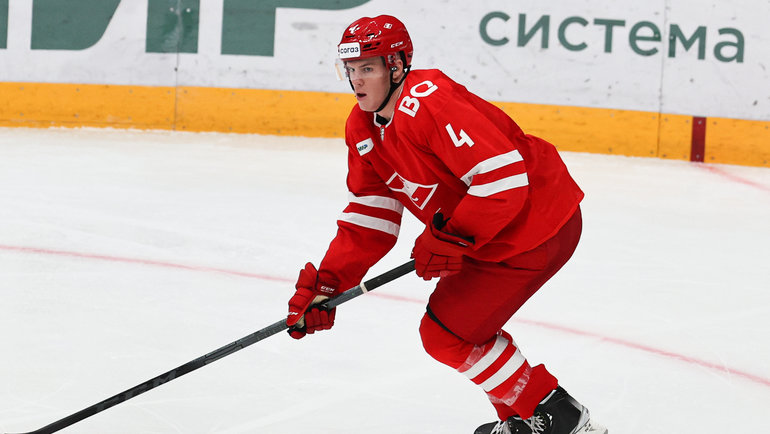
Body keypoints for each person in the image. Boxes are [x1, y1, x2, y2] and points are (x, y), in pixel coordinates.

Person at [285, 15, 607, 434]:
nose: (356, 80)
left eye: (367, 68)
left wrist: (450, 236)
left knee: (448, 334)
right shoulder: (362, 127)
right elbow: (371, 218)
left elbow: (503, 178)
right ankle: (529, 419)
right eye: (350, 70)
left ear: (396, 66)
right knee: (461, 330)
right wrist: (328, 284)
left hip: (537, 227)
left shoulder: (429, 101)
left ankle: (560, 417)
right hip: (488, 235)